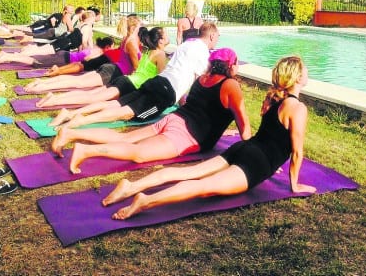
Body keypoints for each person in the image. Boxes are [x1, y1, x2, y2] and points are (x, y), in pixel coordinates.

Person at [101, 55, 317, 220]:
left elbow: (271, 136)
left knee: (189, 172)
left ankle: (131, 186)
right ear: (297, 77)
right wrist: (294, 185)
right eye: (306, 70)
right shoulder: (297, 108)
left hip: (243, 149)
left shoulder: (274, 99)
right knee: (202, 187)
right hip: (256, 162)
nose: (308, 73)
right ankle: (145, 201)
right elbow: (296, 152)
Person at [49, 48, 251, 175]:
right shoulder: (231, 85)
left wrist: (223, 132)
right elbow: (245, 128)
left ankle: (71, 133)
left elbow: (204, 111)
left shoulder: (202, 79)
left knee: (128, 138)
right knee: (139, 153)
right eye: (236, 64)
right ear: (230, 66)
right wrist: (251, 155)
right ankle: (86, 150)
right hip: (186, 134)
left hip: (174, 119)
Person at [49, 21, 220, 129]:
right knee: (127, 112)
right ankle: (78, 121)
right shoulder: (204, 54)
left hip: (155, 82)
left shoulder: (185, 45)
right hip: (165, 94)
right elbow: (198, 82)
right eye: (217, 36)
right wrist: (188, 103)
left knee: (117, 104)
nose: (217, 39)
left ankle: (70, 113)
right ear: (212, 35)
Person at [35, 27, 169, 107]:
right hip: (122, 78)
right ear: (160, 40)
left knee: (87, 90)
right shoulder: (149, 50)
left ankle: (50, 92)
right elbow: (160, 78)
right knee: (89, 94)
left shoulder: (142, 48)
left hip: (120, 75)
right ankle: (52, 97)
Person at [20, 16, 143, 94]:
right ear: (134, 27)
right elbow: (136, 67)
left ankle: (41, 82)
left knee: (77, 80)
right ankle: (42, 86)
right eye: (140, 26)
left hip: (112, 68)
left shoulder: (127, 39)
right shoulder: (131, 42)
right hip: (114, 72)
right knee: (78, 83)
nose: (141, 29)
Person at [41, 14, 141, 78]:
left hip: (108, 58)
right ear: (133, 27)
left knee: (81, 64)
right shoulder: (130, 40)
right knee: (82, 66)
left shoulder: (125, 38)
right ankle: (59, 71)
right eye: (139, 27)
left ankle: (59, 70)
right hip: (109, 60)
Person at [0, 10, 96, 65]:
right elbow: (84, 42)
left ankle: (8, 55)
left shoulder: (81, 25)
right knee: (39, 53)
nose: (95, 19)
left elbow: (82, 41)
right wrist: (84, 56)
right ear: (90, 18)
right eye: (94, 17)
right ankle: (7, 55)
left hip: (64, 41)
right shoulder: (87, 27)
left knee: (39, 51)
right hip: (64, 43)